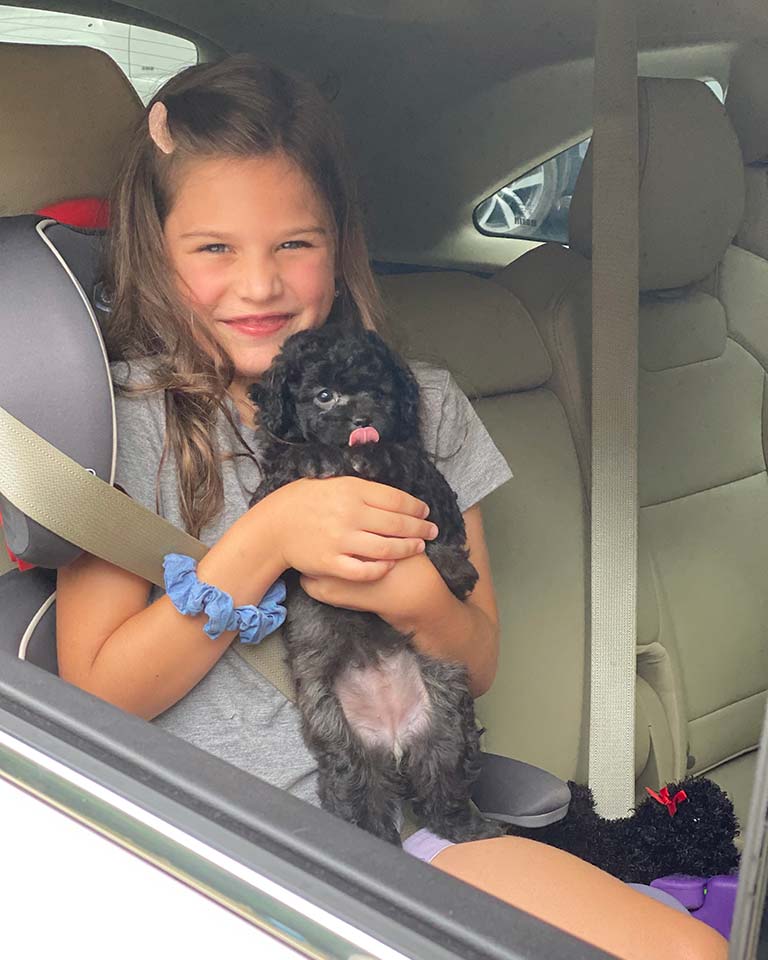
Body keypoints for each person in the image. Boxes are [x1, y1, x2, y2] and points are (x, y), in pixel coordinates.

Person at [55, 56, 725, 960]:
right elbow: (97, 696)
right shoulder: (121, 423)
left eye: (295, 243)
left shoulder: (424, 406)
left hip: (407, 827)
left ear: (340, 243)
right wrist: (266, 537)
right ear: (156, 247)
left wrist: (415, 597)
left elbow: (476, 658)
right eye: (213, 248)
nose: (259, 286)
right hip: (203, 846)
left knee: (687, 952)